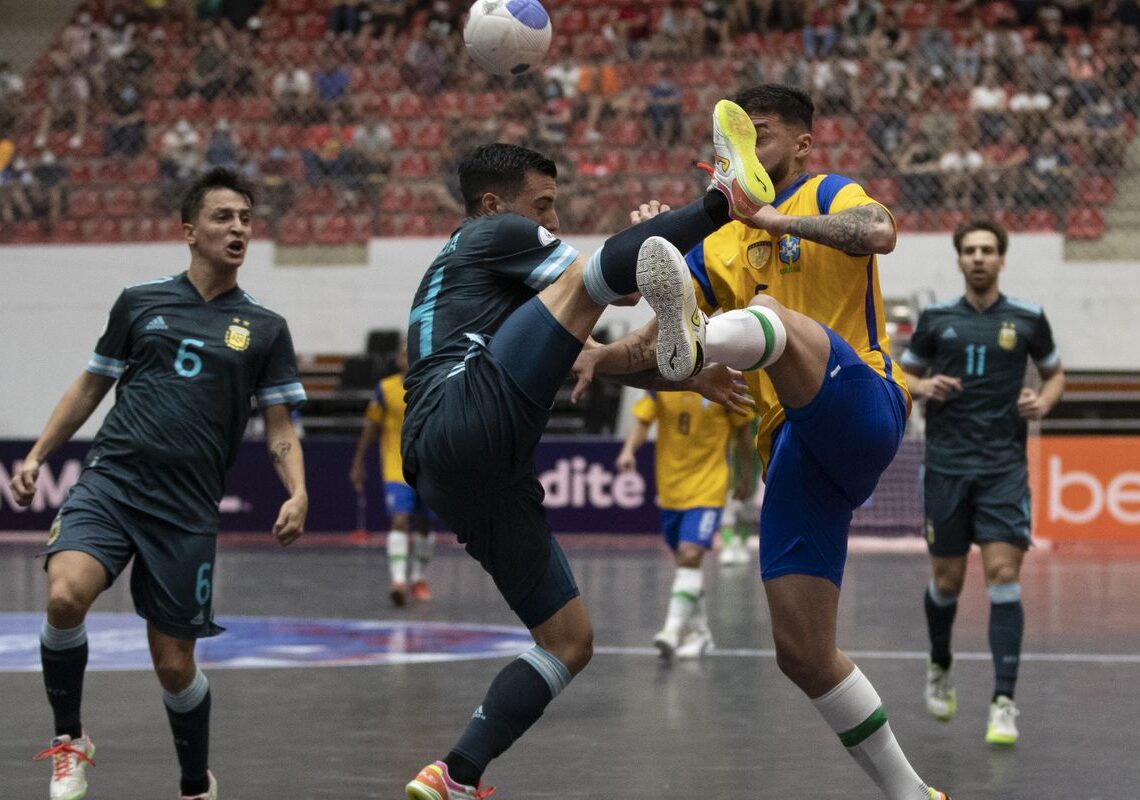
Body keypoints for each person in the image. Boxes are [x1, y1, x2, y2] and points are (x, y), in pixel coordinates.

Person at [573, 87, 952, 800]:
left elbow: (879, 231)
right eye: (734, 144)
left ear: (802, 145)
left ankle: (716, 333)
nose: (744, 153)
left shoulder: (829, 190)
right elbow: (655, 350)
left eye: (761, 137)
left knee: (768, 315)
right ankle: (913, 794)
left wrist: (776, 218)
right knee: (802, 654)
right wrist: (598, 356)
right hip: (794, 452)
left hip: (864, 402)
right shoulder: (716, 240)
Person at [401, 123, 771, 800]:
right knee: (592, 280)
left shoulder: (497, 287)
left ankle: (457, 774)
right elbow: (608, 284)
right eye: (541, 206)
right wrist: (688, 225)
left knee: (568, 640)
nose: (551, 219)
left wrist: (681, 373)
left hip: (466, 469)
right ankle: (728, 197)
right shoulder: (493, 236)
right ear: (492, 205)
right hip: (459, 410)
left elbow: (588, 352)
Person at [9, 167, 309, 800]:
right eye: (224, 217)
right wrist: (38, 453)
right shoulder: (139, 301)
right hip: (112, 483)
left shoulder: (264, 327)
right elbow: (91, 385)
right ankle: (70, 741)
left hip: (186, 510)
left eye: (246, 219)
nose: (238, 229)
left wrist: (298, 489)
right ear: (189, 231)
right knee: (65, 596)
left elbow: (279, 425)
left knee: (174, 667)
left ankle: (195, 784)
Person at [899, 218, 1064, 746]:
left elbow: (1056, 374)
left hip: (1003, 468)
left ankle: (1003, 702)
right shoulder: (935, 319)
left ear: (1001, 259)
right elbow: (900, 375)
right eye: (969, 250)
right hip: (946, 466)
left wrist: (1045, 401)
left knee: (1002, 576)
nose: (978, 258)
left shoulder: (1029, 318)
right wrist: (923, 385)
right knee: (948, 583)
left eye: (987, 250)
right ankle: (941, 661)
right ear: (959, 259)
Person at [615, 389, 754, 658]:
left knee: (691, 554)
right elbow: (643, 421)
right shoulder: (660, 385)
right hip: (671, 489)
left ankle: (672, 629)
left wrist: (745, 477)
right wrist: (628, 450)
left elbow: (743, 435)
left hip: (709, 486)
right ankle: (700, 634)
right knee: (684, 564)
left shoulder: (722, 384)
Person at [349, 340, 435, 607]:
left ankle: (418, 578)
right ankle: (398, 581)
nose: (406, 358)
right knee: (400, 520)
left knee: (424, 525)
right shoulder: (385, 389)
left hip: (429, 467)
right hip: (396, 468)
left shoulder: (433, 384)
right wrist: (358, 462)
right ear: (397, 359)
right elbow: (370, 427)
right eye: (402, 354)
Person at [718, 414, 760, 567]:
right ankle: (727, 545)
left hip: (753, 465)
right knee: (728, 507)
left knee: (748, 508)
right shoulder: (731, 408)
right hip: (728, 466)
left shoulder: (757, 413)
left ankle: (743, 544)